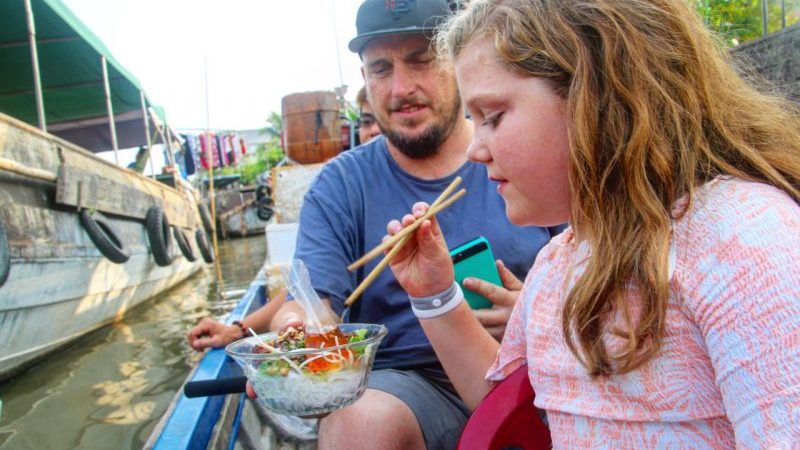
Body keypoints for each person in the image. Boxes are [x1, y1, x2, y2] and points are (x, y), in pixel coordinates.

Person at [386, 0, 800, 448]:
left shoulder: (743, 239)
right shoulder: (556, 261)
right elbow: (512, 408)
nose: (474, 149)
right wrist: (433, 297)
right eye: (473, 121)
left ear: (597, 94)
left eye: (493, 117)